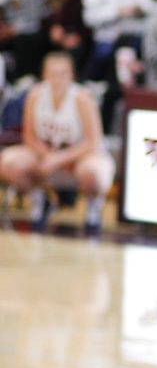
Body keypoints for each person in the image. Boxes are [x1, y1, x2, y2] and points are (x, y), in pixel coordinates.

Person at [0, 51, 114, 235]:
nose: (57, 79)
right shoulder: (35, 95)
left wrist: (60, 159)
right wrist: (49, 157)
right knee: (8, 162)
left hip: (78, 158)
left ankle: (93, 206)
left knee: (94, 172)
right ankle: (40, 198)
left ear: (71, 75)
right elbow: (29, 137)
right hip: (48, 156)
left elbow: (94, 141)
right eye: (52, 74)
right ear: (44, 75)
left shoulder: (82, 98)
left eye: (63, 74)